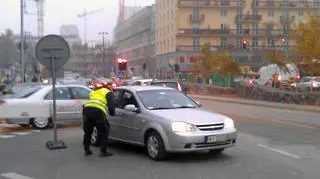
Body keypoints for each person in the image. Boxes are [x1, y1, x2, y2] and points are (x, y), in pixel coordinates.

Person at [82, 86, 115, 157]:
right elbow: (111, 106)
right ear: (110, 89)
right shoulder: (108, 93)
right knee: (104, 131)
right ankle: (103, 152)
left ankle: (87, 150)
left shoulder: (95, 92)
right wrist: (112, 113)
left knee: (88, 132)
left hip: (87, 110)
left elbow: (89, 100)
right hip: (98, 111)